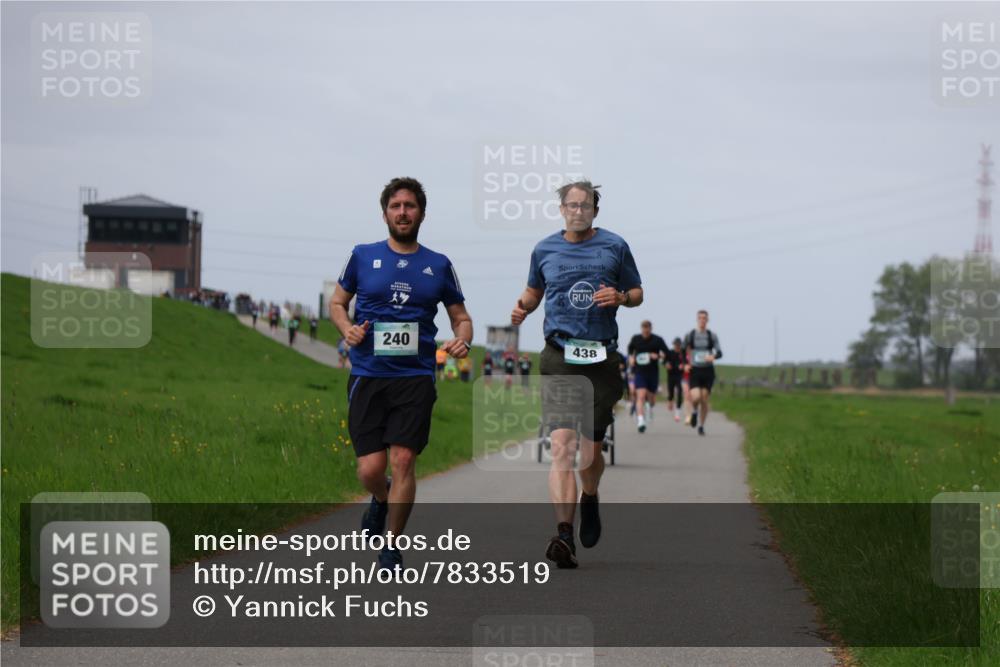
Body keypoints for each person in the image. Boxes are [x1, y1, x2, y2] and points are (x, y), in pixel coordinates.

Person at [330, 177, 473, 570]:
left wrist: (463, 339)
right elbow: (338, 303)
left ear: (422, 213)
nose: (403, 212)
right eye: (396, 206)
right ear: (385, 213)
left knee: (405, 459)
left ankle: (391, 545)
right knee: (370, 470)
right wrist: (347, 329)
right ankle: (381, 497)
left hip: (415, 376)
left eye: (410, 206)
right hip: (368, 373)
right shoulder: (362, 256)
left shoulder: (438, 264)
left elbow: (461, 317)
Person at [510, 180, 642, 569]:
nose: (578, 210)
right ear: (562, 209)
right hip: (560, 355)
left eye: (585, 205)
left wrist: (620, 297)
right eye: (572, 204)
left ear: (595, 211)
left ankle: (590, 496)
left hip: (601, 358)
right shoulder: (544, 248)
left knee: (589, 454)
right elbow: (534, 292)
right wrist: (522, 308)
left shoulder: (615, 246)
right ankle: (563, 534)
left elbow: (637, 293)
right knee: (563, 446)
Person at [684, 310, 722, 436]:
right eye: (700, 318)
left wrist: (713, 357)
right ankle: (694, 411)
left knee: (704, 399)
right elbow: (683, 350)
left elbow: (719, 352)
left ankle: (701, 426)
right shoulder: (691, 334)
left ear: (707, 320)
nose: (702, 320)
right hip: (695, 370)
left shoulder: (712, 335)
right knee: (696, 397)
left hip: (708, 371)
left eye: (704, 318)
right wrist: (685, 364)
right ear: (697, 319)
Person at [626, 320, 669, 433]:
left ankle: (650, 407)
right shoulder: (636, 339)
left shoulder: (657, 340)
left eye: (647, 328)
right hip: (640, 372)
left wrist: (658, 355)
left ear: (650, 328)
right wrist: (631, 357)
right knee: (640, 395)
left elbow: (666, 353)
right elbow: (630, 349)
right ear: (641, 329)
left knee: (651, 399)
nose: (645, 330)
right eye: (644, 328)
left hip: (653, 373)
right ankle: (641, 421)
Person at [664, 337, 685, 422]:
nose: (677, 346)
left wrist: (683, 365)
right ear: (674, 345)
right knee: (671, 392)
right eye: (676, 345)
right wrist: (666, 364)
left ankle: (677, 412)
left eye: (679, 345)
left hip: (680, 376)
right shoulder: (670, 353)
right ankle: (670, 400)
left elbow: (686, 361)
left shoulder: (683, 353)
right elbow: (664, 361)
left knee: (680, 392)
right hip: (671, 375)